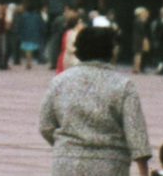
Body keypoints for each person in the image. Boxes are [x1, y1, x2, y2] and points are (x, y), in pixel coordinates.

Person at [39, 25, 153, 176]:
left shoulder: (59, 82)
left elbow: (45, 125)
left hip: (66, 164)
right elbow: (136, 133)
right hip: (110, 165)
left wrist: (65, 145)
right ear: (111, 51)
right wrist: (143, 171)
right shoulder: (123, 85)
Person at [18, 3, 44, 69]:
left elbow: (20, 25)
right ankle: (28, 61)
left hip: (25, 34)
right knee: (30, 49)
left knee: (27, 49)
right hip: (34, 34)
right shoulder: (37, 16)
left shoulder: (23, 16)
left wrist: (20, 33)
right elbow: (41, 25)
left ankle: (28, 61)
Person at [131, 7, 151, 74]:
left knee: (137, 54)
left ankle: (136, 67)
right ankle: (137, 68)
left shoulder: (137, 20)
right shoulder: (140, 21)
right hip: (139, 39)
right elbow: (142, 31)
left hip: (137, 38)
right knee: (139, 54)